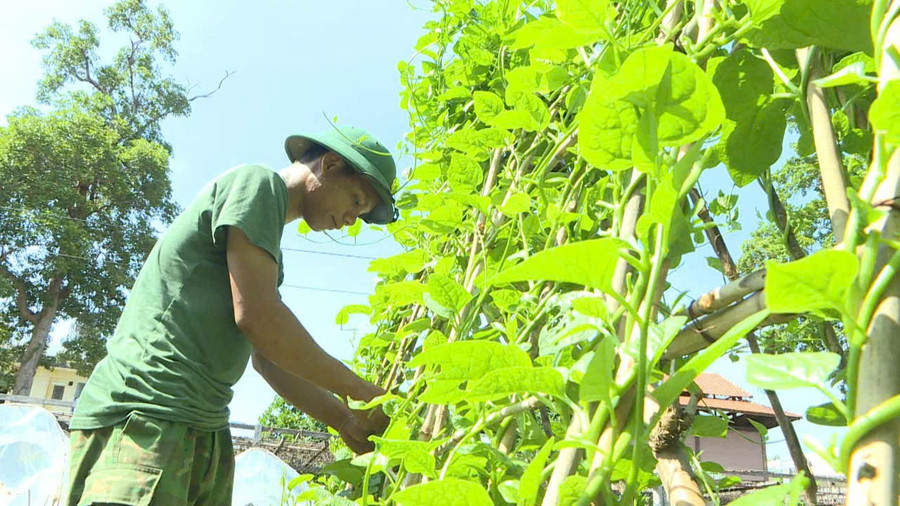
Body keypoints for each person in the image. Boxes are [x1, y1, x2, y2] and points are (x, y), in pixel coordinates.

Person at [65, 125, 397, 505]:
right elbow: (258, 317)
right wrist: (362, 393)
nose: (352, 219)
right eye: (355, 200)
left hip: (202, 427)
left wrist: (344, 420)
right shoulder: (257, 185)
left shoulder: (267, 252)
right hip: (148, 415)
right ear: (331, 164)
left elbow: (270, 360)